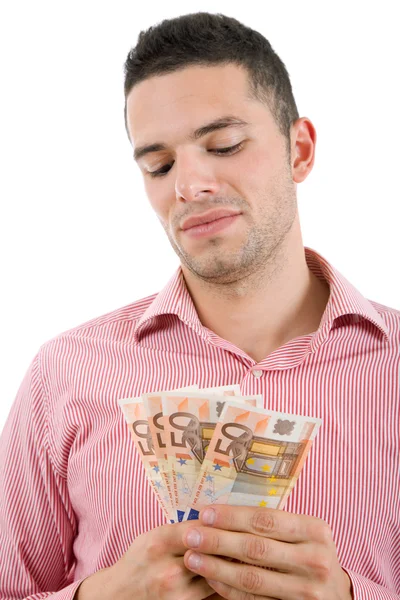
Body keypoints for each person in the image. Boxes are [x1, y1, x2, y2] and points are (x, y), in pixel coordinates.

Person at [1, 10, 399, 600]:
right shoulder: (64, 372)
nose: (189, 185)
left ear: (300, 150)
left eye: (224, 144)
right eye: (158, 165)